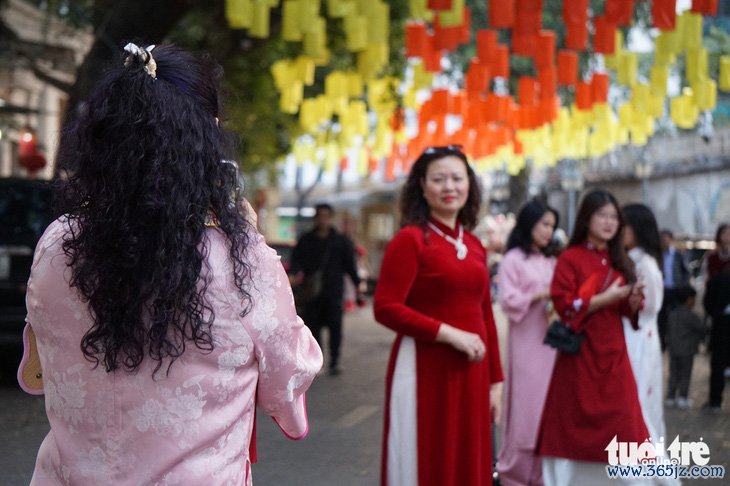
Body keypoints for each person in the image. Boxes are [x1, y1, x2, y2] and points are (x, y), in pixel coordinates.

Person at [18, 43, 322, 485]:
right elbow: (287, 380)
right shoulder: (243, 261)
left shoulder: (59, 242)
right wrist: (250, 237)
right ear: (207, 136)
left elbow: (41, 363)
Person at [373, 145, 503, 486]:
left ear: (470, 186)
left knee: (468, 461)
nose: (450, 187)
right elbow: (385, 307)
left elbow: (486, 315)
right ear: (422, 186)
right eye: (439, 179)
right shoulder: (411, 240)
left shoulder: (475, 245)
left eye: (457, 179)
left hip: (473, 373)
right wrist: (450, 334)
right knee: (427, 460)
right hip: (423, 368)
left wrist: (496, 382)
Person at [536, 189, 647, 485]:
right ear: (587, 218)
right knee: (571, 426)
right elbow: (563, 304)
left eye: (614, 217)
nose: (609, 223)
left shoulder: (620, 260)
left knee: (624, 424)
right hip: (580, 356)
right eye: (602, 216)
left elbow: (627, 310)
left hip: (613, 353)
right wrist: (605, 298)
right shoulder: (570, 258)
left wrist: (633, 299)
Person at [496, 199, 560, 486]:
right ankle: (516, 473)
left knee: (549, 407)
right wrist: (539, 295)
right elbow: (508, 301)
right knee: (526, 406)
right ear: (529, 223)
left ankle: (544, 472)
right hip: (526, 344)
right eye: (544, 224)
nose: (549, 231)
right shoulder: (512, 260)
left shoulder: (550, 260)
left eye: (553, 226)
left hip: (552, 344)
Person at [290, 203, 363, 375]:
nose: (322, 220)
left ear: (331, 218)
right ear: (315, 218)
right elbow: (296, 261)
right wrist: (294, 274)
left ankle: (335, 361)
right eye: (319, 216)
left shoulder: (341, 241)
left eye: (326, 216)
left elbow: (350, 266)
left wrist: (358, 284)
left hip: (333, 291)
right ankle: (318, 361)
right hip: (312, 293)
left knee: (335, 327)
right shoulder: (306, 239)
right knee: (313, 328)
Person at [621, 204, 670, 445]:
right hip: (631, 334)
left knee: (639, 400)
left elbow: (649, 307)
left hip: (639, 337)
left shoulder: (645, 265)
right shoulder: (631, 260)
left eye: (625, 224)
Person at [666, 285, 708, 409]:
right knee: (685, 374)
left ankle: (670, 397)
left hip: (673, 349)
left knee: (673, 373)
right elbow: (702, 329)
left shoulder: (672, 314)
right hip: (687, 350)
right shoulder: (691, 316)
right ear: (689, 299)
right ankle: (682, 397)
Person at [658, 229, 691, 350]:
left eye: (665, 240)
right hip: (662, 290)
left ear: (671, 240)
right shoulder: (658, 255)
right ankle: (662, 343)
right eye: (661, 240)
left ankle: (674, 343)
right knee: (661, 319)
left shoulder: (678, 255)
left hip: (675, 291)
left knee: (675, 318)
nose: (663, 242)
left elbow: (687, 272)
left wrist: (682, 285)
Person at [703, 264, 730, 412]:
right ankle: (715, 401)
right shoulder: (722, 276)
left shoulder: (721, 276)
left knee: (718, 364)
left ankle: (715, 401)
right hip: (721, 324)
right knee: (718, 364)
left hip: (721, 324)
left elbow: (708, 301)